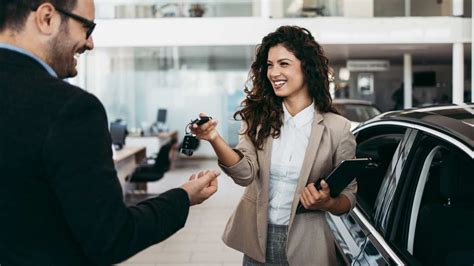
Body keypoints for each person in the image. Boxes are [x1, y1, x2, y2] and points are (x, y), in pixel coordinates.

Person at [0, 1, 218, 265]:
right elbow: (111, 238)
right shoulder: (72, 109)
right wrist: (183, 197)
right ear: (47, 18)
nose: (90, 43)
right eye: (88, 28)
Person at [192, 26, 357, 265]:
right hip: (257, 237)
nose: (273, 72)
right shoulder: (258, 119)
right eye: (269, 65)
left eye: (283, 64)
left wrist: (328, 202)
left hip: (309, 244)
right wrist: (214, 138)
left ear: (306, 67)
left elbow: (348, 199)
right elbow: (244, 174)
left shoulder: (338, 128)